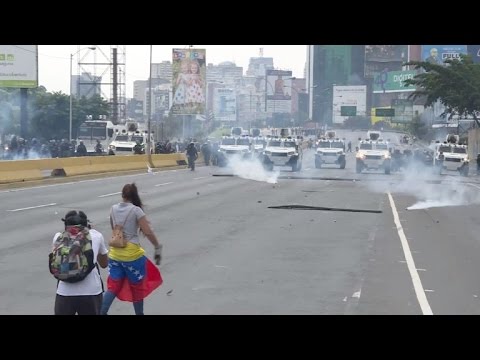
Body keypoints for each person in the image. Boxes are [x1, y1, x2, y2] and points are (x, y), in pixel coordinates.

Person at [100, 183, 163, 315]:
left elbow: (115, 229)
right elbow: (148, 232)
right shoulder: (136, 210)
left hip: (115, 254)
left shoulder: (113, 209)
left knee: (113, 286)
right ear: (135, 196)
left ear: (122, 195)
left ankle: (101, 312)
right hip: (132, 256)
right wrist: (157, 246)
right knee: (137, 288)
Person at [53, 210, 108, 315]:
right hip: (91, 292)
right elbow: (104, 264)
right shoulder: (95, 236)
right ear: (86, 224)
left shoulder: (58, 237)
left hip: (65, 291)